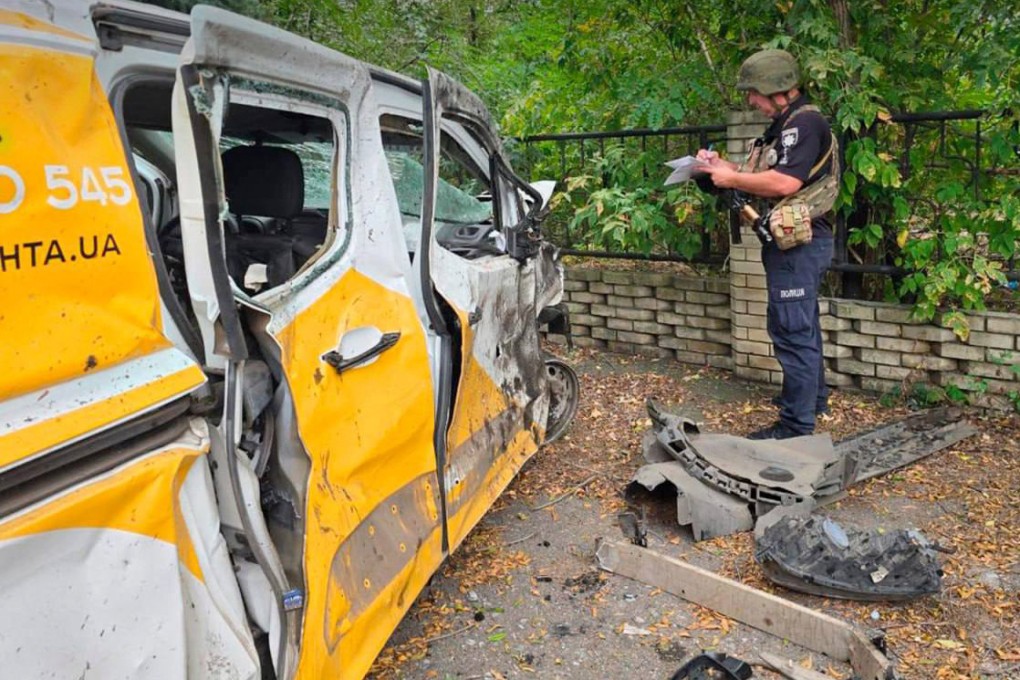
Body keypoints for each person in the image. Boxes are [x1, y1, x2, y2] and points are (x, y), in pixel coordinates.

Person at [696, 48, 838, 440]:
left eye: (753, 93)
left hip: (800, 245)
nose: (750, 102)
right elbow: (762, 174)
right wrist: (718, 167)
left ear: (777, 90)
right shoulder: (786, 125)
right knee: (801, 325)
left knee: (791, 329)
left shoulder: (804, 124)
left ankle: (795, 428)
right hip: (793, 244)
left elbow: (784, 184)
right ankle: (814, 400)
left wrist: (732, 180)